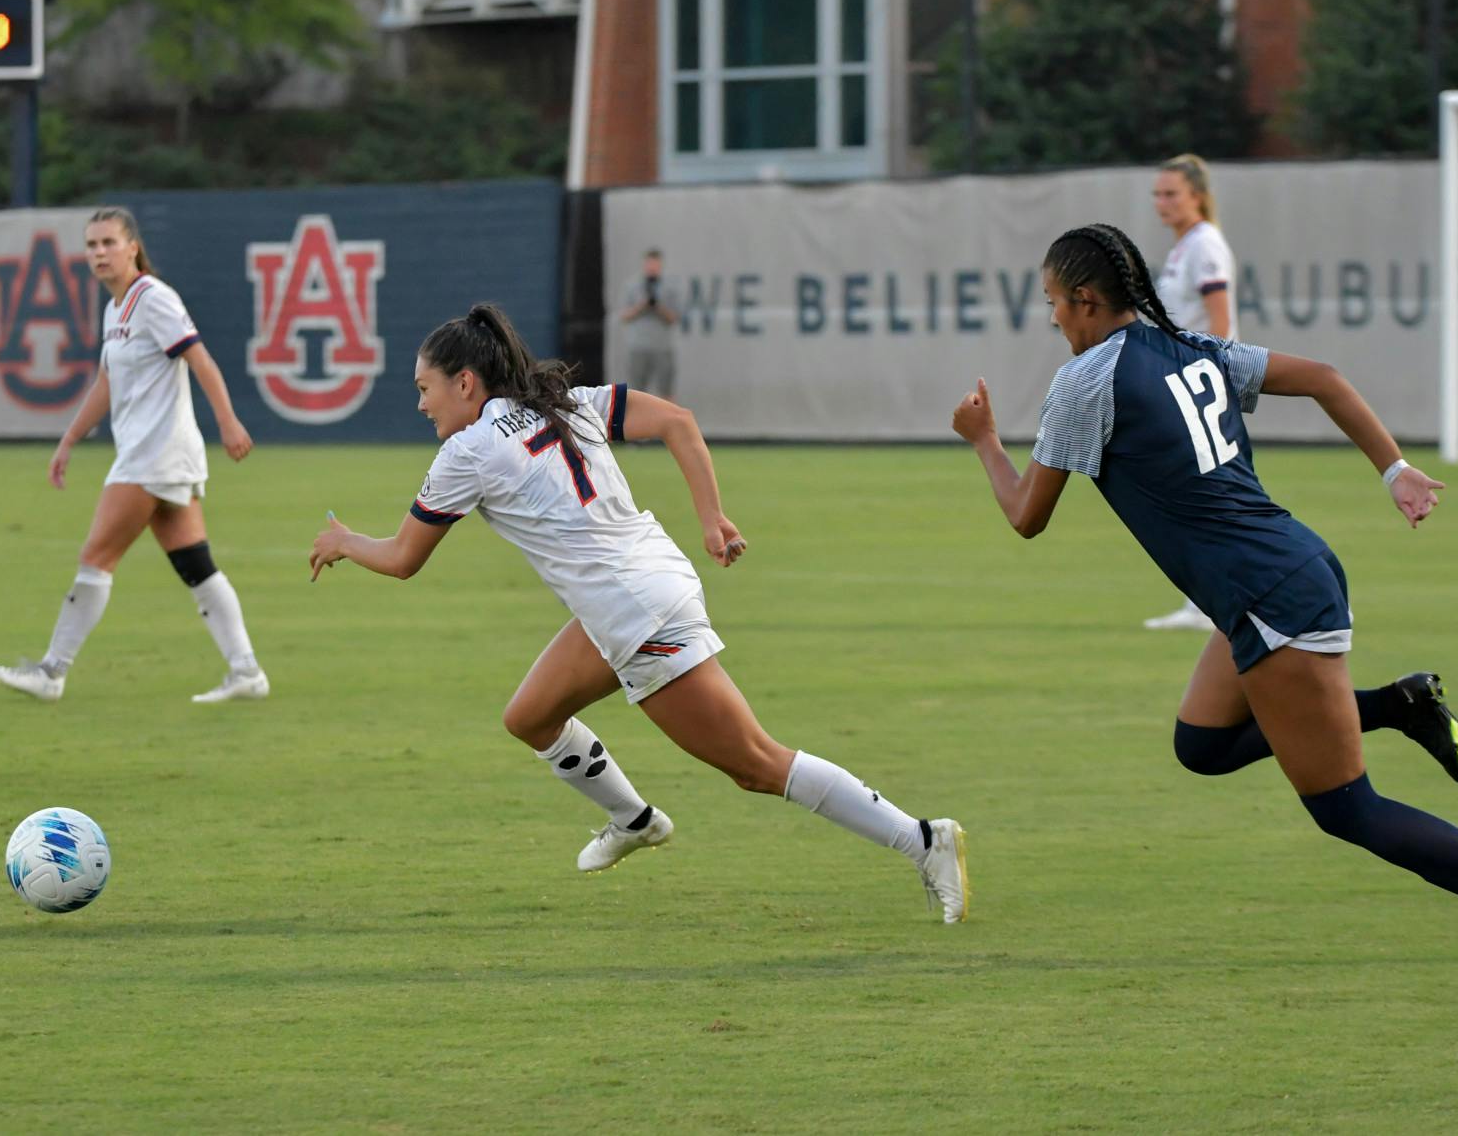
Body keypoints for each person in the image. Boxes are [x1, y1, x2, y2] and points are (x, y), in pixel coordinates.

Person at [948, 223, 1458, 960]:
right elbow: (1323, 376)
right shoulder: (1194, 349)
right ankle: (1397, 704)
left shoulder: (1085, 382)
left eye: (1054, 300)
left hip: (1267, 595)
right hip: (1282, 572)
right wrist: (1393, 469)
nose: (1052, 315)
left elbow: (1028, 515)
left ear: (1086, 301)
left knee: (1349, 809)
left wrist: (983, 439)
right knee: (1203, 745)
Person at [308, 302, 968, 921]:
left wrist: (342, 540)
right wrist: (710, 518)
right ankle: (634, 820)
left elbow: (402, 557)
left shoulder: (468, 451)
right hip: (648, 584)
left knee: (756, 763)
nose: (420, 402)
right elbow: (677, 421)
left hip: (635, 617)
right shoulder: (566, 402)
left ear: (466, 384)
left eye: (425, 387)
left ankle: (922, 838)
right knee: (531, 716)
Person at [0, 207, 270, 706]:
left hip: (154, 454)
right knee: (196, 565)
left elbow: (199, 358)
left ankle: (52, 671)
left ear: (132, 247)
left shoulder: (153, 299)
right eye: (92, 245)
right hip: (150, 454)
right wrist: (70, 438)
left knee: (96, 558)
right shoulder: (116, 309)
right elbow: (107, 382)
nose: (99, 253)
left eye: (108, 243)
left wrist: (227, 421)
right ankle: (246, 671)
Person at [1144, 154, 1238, 633]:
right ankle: (1202, 602)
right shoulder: (1186, 246)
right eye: (1158, 194)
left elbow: (1218, 319)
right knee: (1195, 494)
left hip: (1200, 386)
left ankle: (1213, 602)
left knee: (1206, 494)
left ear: (1196, 196)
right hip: (1181, 384)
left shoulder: (1204, 245)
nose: (1162, 202)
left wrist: (1214, 375)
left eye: (1171, 193)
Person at [618, 249, 682, 399]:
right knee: (637, 392)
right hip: (639, 346)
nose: (652, 268)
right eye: (649, 264)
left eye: (656, 264)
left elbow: (675, 317)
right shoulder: (633, 286)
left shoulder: (670, 287)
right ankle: (639, 422)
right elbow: (624, 315)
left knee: (666, 390)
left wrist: (658, 306)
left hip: (662, 347)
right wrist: (642, 305)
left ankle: (666, 422)